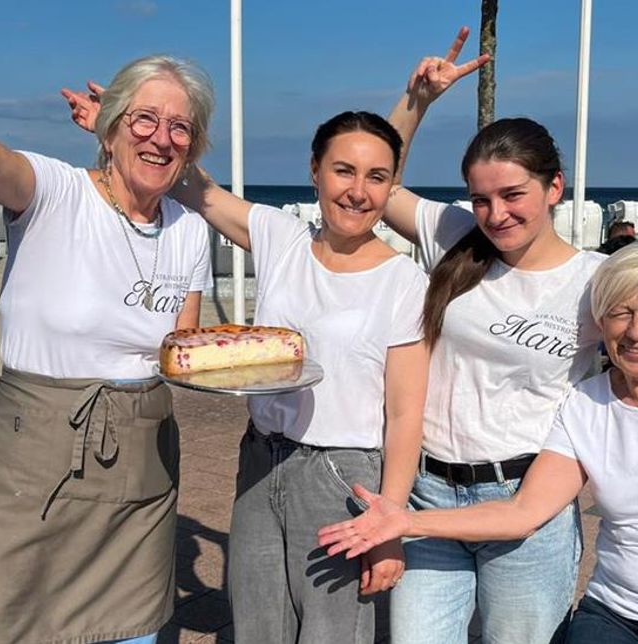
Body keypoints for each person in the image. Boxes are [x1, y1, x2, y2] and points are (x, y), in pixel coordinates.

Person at [368, 28, 638, 644]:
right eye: (482, 198)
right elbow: (378, 188)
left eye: (513, 195)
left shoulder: (594, 280)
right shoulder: (457, 236)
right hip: (430, 489)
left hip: (529, 502)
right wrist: (418, 100)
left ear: (554, 188)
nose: (497, 214)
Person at [0, 3, 214, 643]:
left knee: (134, 633)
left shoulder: (190, 231)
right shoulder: (54, 192)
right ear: (108, 129)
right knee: (0, 626)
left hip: (141, 473)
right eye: (144, 118)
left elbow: (183, 355)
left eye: (181, 128)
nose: (162, 138)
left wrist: (254, 374)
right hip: (31, 461)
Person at [319, 242, 638, 644]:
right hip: (617, 617)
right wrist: (405, 521)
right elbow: (523, 512)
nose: (636, 331)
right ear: (599, 323)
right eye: (619, 313)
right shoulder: (584, 404)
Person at [63, 89, 430, 642]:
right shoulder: (283, 238)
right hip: (260, 458)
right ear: (314, 172)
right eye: (343, 171)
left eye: (376, 177)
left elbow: (406, 414)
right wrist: (115, 128)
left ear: (391, 185)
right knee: (257, 627)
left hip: (344, 478)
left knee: (333, 633)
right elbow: (196, 189)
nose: (358, 191)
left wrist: (389, 524)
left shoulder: (404, 282)